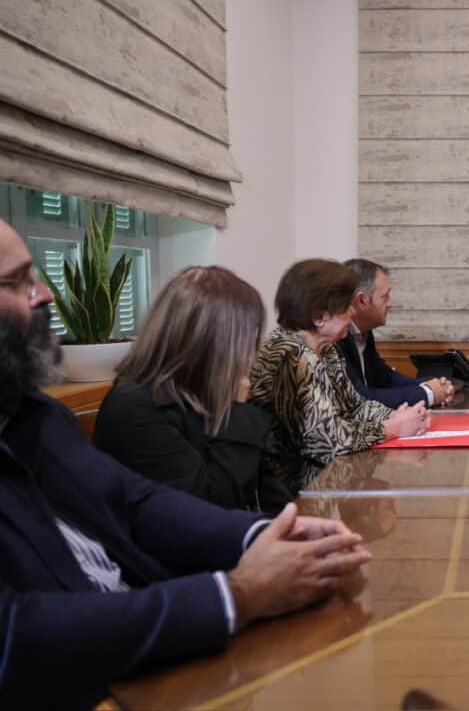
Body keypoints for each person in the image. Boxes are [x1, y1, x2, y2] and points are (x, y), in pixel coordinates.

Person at [0, 219, 372, 709]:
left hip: (145, 644)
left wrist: (270, 534)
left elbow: (135, 503)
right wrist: (237, 595)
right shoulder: (134, 406)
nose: (45, 294)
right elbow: (17, 634)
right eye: (17, 281)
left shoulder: (35, 416)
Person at [93, 266, 291, 513]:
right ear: (211, 344)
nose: (251, 351)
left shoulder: (200, 391)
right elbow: (212, 506)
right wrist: (234, 410)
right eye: (246, 339)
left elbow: (262, 488)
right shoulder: (133, 409)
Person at [249, 259, 429, 494]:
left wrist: (402, 415)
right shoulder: (290, 355)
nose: (353, 312)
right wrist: (391, 428)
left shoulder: (327, 348)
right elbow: (327, 441)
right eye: (346, 307)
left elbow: (355, 406)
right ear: (319, 317)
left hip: (332, 480)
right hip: (293, 494)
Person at [336, 258, 453, 408]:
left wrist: (432, 385)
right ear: (362, 301)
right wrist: (428, 394)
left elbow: (384, 377)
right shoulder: (336, 338)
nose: (391, 303)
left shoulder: (364, 331)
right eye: (385, 297)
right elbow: (360, 397)